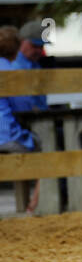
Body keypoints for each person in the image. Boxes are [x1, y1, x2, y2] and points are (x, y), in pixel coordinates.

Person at [0, 25, 40, 213]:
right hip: (7, 136)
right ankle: (35, 205)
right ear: (17, 47)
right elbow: (23, 107)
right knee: (50, 149)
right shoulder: (11, 71)